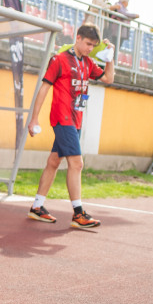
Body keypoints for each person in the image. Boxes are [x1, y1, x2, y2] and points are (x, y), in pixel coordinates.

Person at [26, 24, 115, 228]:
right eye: (87, 44)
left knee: (53, 162)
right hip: (62, 118)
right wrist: (34, 118)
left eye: (93, 46)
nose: (89, 48)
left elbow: (109, 78)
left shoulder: (88, 63)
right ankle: (78, 213)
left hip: (76, 120)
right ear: (78, 38)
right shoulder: (59, 60)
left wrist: (110, 57)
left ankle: (37, 207)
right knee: (77, 164)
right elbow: (44, 88)